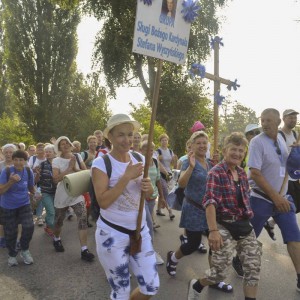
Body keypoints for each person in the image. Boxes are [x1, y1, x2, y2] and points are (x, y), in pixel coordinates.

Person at [92, 113, 159, 300]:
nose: (127, 139)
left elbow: (149, 195)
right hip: (112, 235)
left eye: (130, 134)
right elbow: (103, 202)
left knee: (151, 286)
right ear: (110, 137)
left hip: (139, 231)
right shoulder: (101, 163)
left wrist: (149, 188)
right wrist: (126, 177)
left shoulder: (140, 158)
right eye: (121, 134)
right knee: (120, 292)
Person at [187, 132, 262, 300]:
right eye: (233, 149)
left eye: (241, 150)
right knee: (219, 274)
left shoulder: (242, 173)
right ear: (224, 151)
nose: (237, 153)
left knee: (253, 269)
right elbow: (210, 202)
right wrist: (213, 230)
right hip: (223, 225)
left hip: (243, 225)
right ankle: (197, 285)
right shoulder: (216, 172)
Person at [166, 131, 233, 293]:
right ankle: (173, 258)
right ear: (192, 146)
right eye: (199, 143)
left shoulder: (211, 163)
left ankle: (214, 279)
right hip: (193, 209)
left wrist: (221, 164)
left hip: (210, 210)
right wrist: (191, 167)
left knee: (215, 245)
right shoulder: (187, 162)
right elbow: (181, 184)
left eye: (205, 142)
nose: (202, 145)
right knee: (193, 244)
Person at [248, 108, 300, 292]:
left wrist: (296, 153)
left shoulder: (281, 139)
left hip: (283, 200)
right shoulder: (256, 142)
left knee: (294, 236)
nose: (265, 123)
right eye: (263, 120)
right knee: (248, 237)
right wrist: (275, 197)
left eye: (269, 120)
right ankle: (238, 259)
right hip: (261, 199)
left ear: (278, 122)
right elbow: (254, 173)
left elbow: (288, 166)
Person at [52, 136, 95, 262]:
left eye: (67, 143)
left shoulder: (77, 156)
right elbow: (55, 179)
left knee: (82, 218)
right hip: (62, 193)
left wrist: (75, 168)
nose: (65, 146)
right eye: (62, 144)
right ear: (59, 147)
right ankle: (57, 239)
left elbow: (85, 172)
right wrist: (69, 169)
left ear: (71, 145)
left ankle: (84, 249)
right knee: (59, 221)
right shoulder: (56, 161)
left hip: (76, 192)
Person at [0, 150, 37, 266]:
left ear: (25, 161)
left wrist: (35, 194)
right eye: (15, 159)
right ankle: (12, 255)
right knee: (10, 232)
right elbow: (1, 191)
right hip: (8, 206)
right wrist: (10, 182)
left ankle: (24, 250)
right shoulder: (6, 171)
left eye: (21, 160)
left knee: (29, 226)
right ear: (12, 160)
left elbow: (31, 187)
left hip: (24, 204)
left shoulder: (28, 170)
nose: (18, 162)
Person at [140, 140, 165, 265]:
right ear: (141, 150)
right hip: (141, 200)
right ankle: (151, 252)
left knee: (144, 225)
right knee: (149, 225)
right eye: (146, 149)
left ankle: (141, 249)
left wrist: (161, 196)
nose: (149, 152)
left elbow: (158, 180)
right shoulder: (139, 163)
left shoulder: (155, 162)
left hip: (152, 199)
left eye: (151, 150)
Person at [279, 109, 300, 213]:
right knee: (290, 206)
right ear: (283, 119)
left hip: (294, 175)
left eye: (295, 117)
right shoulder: (279, 135)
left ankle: (270, 223)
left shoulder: (295, 134)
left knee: (296, 206)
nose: (293, 120)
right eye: (290, 117)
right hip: (284, 176)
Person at [34, 144, 57, 237]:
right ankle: (53, 230)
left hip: (57, 192)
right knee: (51, 212)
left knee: (54, 213)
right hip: (45, 192)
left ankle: (48, 226)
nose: (47, 153)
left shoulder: (58, 163)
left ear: (54, 153)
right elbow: (36, 181)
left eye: (49, 152)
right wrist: (38, 174)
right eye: (46, 152)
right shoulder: (42, 164)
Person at [0, 144, 17, 248]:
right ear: (3, 153)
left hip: (16, 195)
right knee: (2, 219)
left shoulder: (20, 164)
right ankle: (2, 238)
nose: (8, 154)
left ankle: (14, 237)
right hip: (2, 194)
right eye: (6, 152)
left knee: (15, 218)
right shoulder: (0, 165)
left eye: (10, 152)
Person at [156, 133, 176, 219]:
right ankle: (170, 212)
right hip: (160, 174)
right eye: (163, 140)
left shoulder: (170, 151)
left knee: (162, 193)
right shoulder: (158, 151)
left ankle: (158, 209)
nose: (164, 142)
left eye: (166, 140)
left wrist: (175, 161)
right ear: (160, 141)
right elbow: (157, 163)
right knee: (165, 191)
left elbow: (172, 163)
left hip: (169, 174)